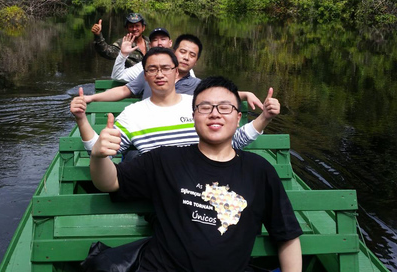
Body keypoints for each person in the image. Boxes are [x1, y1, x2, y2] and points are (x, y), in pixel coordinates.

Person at [87, 75, 303, 271]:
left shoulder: (259, 170)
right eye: (205, 107)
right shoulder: (165, 159)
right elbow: (111, 182)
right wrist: (98, 157)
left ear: (238, 118)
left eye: (225, 107)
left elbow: (287, 235)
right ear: (193, 117)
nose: (215, 113)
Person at [70, 47, 278, 157]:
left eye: (166, 68)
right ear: (145, 75)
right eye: (152, 69)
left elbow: (234, 141)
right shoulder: (132, 114)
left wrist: (265, 117)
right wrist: (81, 119)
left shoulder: (199, 106)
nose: (159, 74)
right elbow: (102, 153)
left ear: (176, 72)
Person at [83, 34, 263, 111]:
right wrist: (91, 98)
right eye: (182, 52)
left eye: (192, 55)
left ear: (196, 61)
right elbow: (123, 90)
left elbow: (219, 94)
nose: (186, 58)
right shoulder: (152, 74)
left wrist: (246, 94)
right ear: (174, 52)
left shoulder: (196, 85)